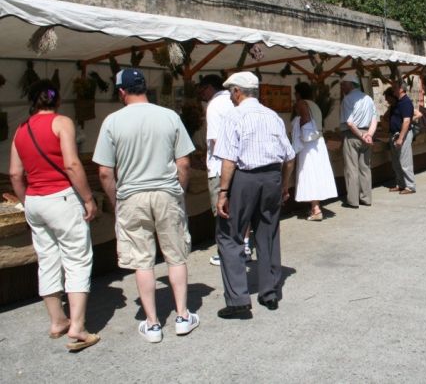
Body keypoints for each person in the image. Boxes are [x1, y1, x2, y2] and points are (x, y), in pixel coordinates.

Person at [94, 69, 199, 343]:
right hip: (166, 192)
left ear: (121, 92)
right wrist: (180, 190)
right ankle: (183, 316)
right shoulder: (169, 116)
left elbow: (105, 172)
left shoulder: (112, 121)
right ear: (145, 88)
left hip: (132, 196)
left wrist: (116, 201)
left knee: (143, 260)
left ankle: (153, 324)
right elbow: (184, 163)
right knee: (176, 255)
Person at [9, 80, 99, 352]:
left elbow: (15, 173)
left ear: (33, 101)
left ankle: (57, 320)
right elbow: (71, 164)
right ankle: (78, 327)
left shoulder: (20, 130)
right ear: (57, 100)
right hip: (60, 197)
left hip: (34, 200)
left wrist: (28, 202)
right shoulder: (62, 123)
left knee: (47, 259)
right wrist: (88, 198)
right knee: (77, 259)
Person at [214, 71, 296, 318]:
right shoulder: (273, 116)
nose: (230, 96)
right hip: (271, 176)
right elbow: (290, 157)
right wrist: (284, 184)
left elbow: (229, 160)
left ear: (238, 92)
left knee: (230, 234)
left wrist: (223, 192)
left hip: (244, 178)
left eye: (231, 92)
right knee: (267, 233)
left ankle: (238, 300)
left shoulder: (234, 116)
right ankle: (269, 293)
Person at [197, 74, 250, 266]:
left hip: (221, 167)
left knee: (223, 210)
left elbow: (216, 141)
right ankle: (244, 245)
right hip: (241, 164)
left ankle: (226, 252)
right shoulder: (235, 103)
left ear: (209, 88)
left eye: (202, 90)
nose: (200, 94)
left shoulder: (214, 105)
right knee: (240, 209)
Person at [291, 82, 338, 220]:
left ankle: (315, 209)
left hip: (309, 143)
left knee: (309, 172)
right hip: (318, 141)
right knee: (316, 172)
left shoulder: (301, 103)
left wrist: (297, 126)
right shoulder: (315, 105)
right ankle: (315, 206)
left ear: (298, 93)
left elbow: (305, 119)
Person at [339, 73, 379, 208]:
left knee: (351, 169)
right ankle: (366, 198)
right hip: (367, 133)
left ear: (350, 84)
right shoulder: (368, 98)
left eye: (343, 84)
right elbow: (374, 119)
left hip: (352, 135)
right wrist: (369, 135)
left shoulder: (347, 99)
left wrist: (362, 136)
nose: (342, 87)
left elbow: (350, 123)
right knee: (365, 168)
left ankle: (353, 200)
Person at [385, 81, 416, 194]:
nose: (393, 90)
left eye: (394, 87)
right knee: (396, 162)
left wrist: (401, 138)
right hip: (395, 134)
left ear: (401, 89)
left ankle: (410, 186)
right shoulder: (398, 102)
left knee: (405, 161)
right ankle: (400, 184)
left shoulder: (406, 102)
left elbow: (406, 121)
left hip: (402, 134)